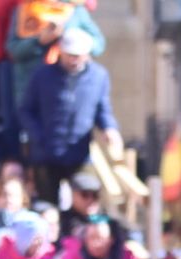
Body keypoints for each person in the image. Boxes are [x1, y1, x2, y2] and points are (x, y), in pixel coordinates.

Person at [17, 27, 120, 204]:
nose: (74, 60)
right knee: (47, 204)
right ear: (61, 52)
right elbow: (26, 110)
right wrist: (38, 137)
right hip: (46, 153)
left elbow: (102, 110)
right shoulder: (42, 75)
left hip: (79, 152)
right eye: (70, 55)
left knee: (86, 198)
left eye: (78, 56)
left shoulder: (98, 76)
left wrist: (109, 128)